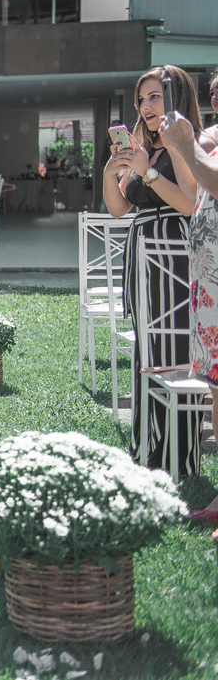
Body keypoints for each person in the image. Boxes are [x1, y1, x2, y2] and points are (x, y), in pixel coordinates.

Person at [103, 65, 201, 475]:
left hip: (173, 252)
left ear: (177, 97)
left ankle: (177, 454)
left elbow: (188, 203)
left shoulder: (183, 144)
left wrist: (147, 171)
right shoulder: (146, 146)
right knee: (147, 350)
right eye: (142, 98)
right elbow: (118, 208)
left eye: (156, 96)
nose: (147, 105)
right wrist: (112, 171)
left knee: (173, 352)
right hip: (142, 252)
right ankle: (145, 446)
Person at [159, 67, 218, 520]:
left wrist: (187, 145)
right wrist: (181, 147)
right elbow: (195, 188)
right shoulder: (213, 137)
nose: (216, 101)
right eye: (215, 93)